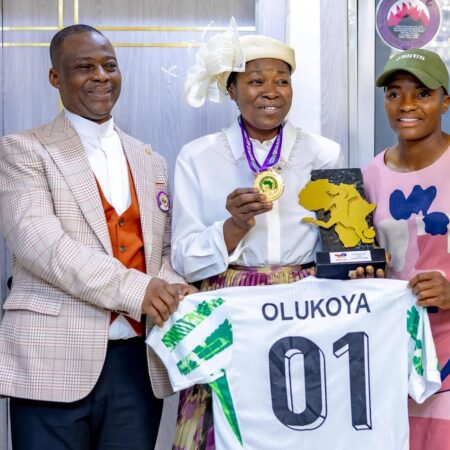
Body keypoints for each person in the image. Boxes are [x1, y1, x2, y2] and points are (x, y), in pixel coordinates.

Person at [0, 24, 195, 450]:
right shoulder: (23, 150)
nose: (101, 76)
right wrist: (139, 289)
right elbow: (41, 244)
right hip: (52, 360)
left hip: (137, 363)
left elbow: (160, 252)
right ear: (56, 77)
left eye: (110, 65)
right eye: (84, 67)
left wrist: (175, 287)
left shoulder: (151, 160)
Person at [170, 20, 343, 449]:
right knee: (229, 426)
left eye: (282, 80)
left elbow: (339, 241)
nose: (271, 91)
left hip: (304, 306)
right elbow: (184, 259)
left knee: (300, 421)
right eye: (255, 81)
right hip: (230, 308)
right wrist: (232, 228)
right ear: (231, 90)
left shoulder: (324, 153)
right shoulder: (197, 157)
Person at [363, 48, 450, 450]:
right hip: (393, 357)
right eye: (394, 93)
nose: (407, 105)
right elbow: (365, 259)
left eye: (423, 93)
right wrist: (363, 274)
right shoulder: (369, 175)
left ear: (445, 102)